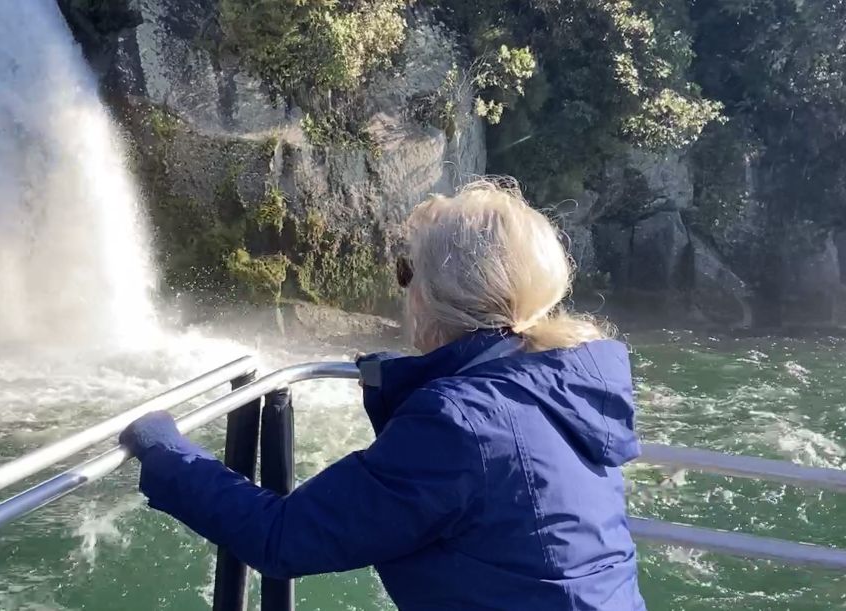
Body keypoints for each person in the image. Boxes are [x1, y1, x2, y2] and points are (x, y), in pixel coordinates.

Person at [120, 179, 646, 610]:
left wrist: (162, 445)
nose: (403, 288)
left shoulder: (459, 422)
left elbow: (281, 538)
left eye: (406, 271)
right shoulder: (568, 382)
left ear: (438, 295)